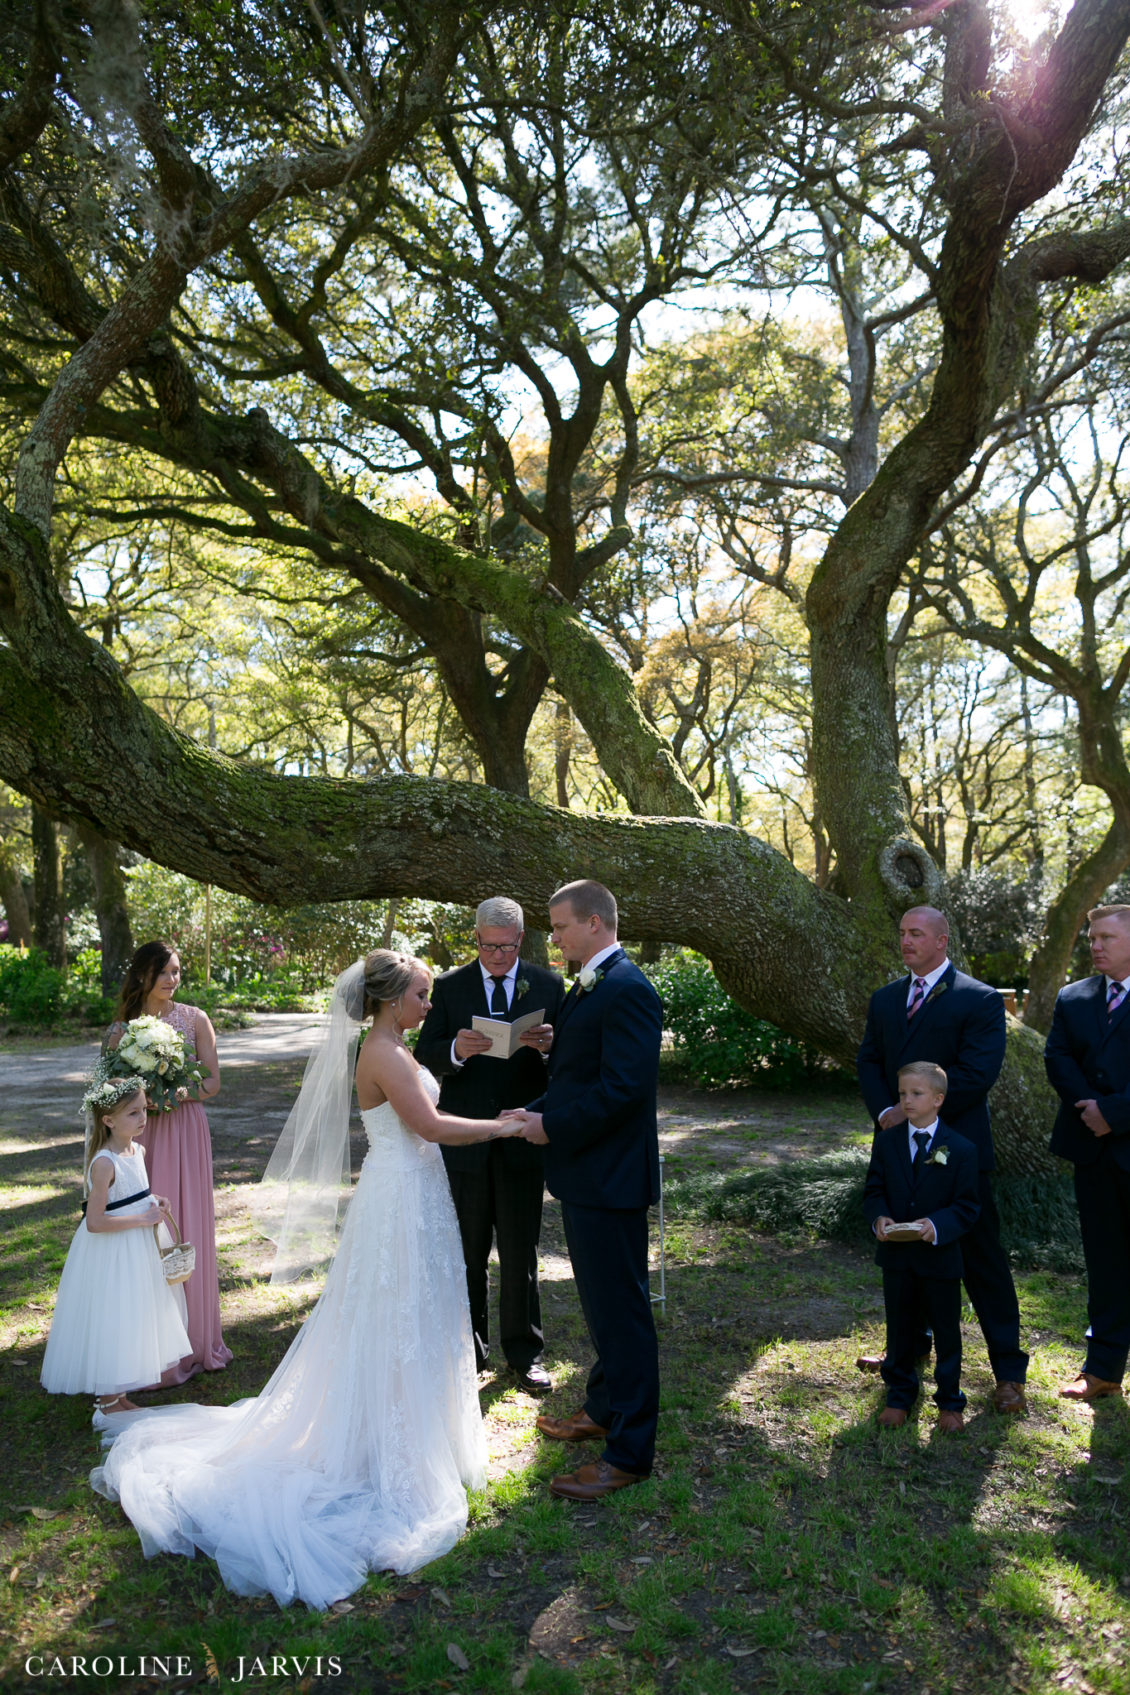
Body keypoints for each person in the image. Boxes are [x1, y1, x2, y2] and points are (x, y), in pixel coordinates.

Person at [91, 951, 520, 1610]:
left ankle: (421, 1433)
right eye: (421, 994)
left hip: (418, 1192)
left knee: (420, 1318)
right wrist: (504, 1125)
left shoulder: (396, 1044)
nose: (428, 1005)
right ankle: (389, 1448)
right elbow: (429, 1126)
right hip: (400, 1197)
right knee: (394, 1318)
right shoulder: (380, 1051)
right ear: (387, 999)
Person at [505, 880, 663, 1502]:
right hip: (587, 1175)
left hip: (611, 1179)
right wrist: (536, 1106)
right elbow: (584, 1075)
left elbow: (623, 1090)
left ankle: (628, 1453)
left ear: (595, 923)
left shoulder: (627, 988)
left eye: (562, 926)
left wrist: (552, 1126)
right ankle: (602, 1409)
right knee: (601, 1306)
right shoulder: (591, 982)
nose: (556, 937)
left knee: (623, 1315)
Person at [856, 905, 1028, 1414]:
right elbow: (868, 1060)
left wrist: (922, 1116)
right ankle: (907, 1353)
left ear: (942, 940)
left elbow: (977, 1074)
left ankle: (1008, 1373)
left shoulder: (976, 999)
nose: (906, 941)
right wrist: (890, 1111)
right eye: (902, 933)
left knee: (982, 1262)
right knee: (907, 1259)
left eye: (916, 933)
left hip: (957, 1150)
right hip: (899, 1151)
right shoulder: (886, 999)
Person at [416, 896, 565, 1392]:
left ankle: (525, 1355)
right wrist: (457, 1049)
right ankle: (468, 1350)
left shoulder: (547, 984)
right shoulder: (451, 986)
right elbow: (424, 1054)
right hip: (466, 1141)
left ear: (521, 939)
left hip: (523, 1138)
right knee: (468, 1251)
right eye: (487, 946)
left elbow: (570, 1061)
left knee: (521, 1253)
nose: (496, 956)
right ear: (475, 938)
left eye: (505, 946)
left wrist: (549, 1048)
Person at [106, 941, 231, 1383]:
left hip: (184, 1128)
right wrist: (137, 1104)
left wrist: (174, 1092)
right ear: (143, 974)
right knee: (144, 1230)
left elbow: (213, 1082)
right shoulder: (121, 1030)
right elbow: (107, 1093)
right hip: (141, 1136)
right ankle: (148, 1346)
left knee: (184, 1224)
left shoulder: (195, 1019)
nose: (171, 979)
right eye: (163, 971)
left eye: (176, 971)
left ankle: (193, 1340)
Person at [40, 1077, 189, 1420]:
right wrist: (141, 1219)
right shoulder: (104, 1162)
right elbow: (95, 1222)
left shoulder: (138, 1151)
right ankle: (107, 1400)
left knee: (133, 1314)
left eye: (143, 1110)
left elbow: (134, 1194)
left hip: (139, 1247)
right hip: (113, 1249)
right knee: (114, 1313)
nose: (142, 1118)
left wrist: (155, 1201)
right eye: (133, 1113)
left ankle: (119, 1395)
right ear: (108, 1120)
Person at [863, 1062, 981, 1433]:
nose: (906, 1101)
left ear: (938, 1099)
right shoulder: (886, 1142)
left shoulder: (960, 1148)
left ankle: (949, 1401)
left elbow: (967, 1206)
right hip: (897, 1256)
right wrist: (879, 1217)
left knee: (946, 1331)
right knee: (899, 1327)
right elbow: (874, 1189)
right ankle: (899, 1395)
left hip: (940, 1257)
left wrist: (937, 1225)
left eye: (916, 1094)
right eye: (902, 1094)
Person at [1044, 903, 1130, 1403]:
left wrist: (1113, 1114)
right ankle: (1103, 1370)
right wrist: (1089, 1110)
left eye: (1106, 939)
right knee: (1105, 1262)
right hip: (1092, 1152)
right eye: (1091, 938)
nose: (1094, 945)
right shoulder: (1073, 998)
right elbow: (1057, 1056)